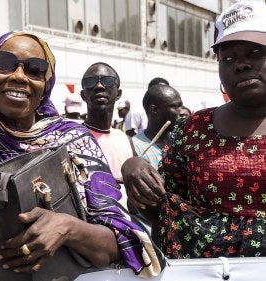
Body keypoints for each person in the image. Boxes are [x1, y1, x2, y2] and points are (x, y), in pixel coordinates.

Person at [0, 31, 163, 279]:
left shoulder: (74, 140)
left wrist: (69, 228)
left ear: (47, 82)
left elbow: (120, 244)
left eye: (34, 69)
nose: (18, 76)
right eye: (5, 64)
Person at [121, 0, 266, 259]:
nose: (240, 64)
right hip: (206, 272)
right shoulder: (193, 129)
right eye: (228, 57)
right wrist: (134, 170)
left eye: (255, 52)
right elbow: (162, 211)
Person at [80, 62, 134, 209]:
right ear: (83, 95)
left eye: (107, 81)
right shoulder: (72, 138)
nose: (99, 86)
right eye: (90, 82)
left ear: (118, 94)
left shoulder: (126, 140)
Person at [132, 84, 184, 169]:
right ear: (154, 110)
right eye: (175, 106)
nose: (181, 112)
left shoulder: (180, 141)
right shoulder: (136, 148)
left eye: (181, 106)